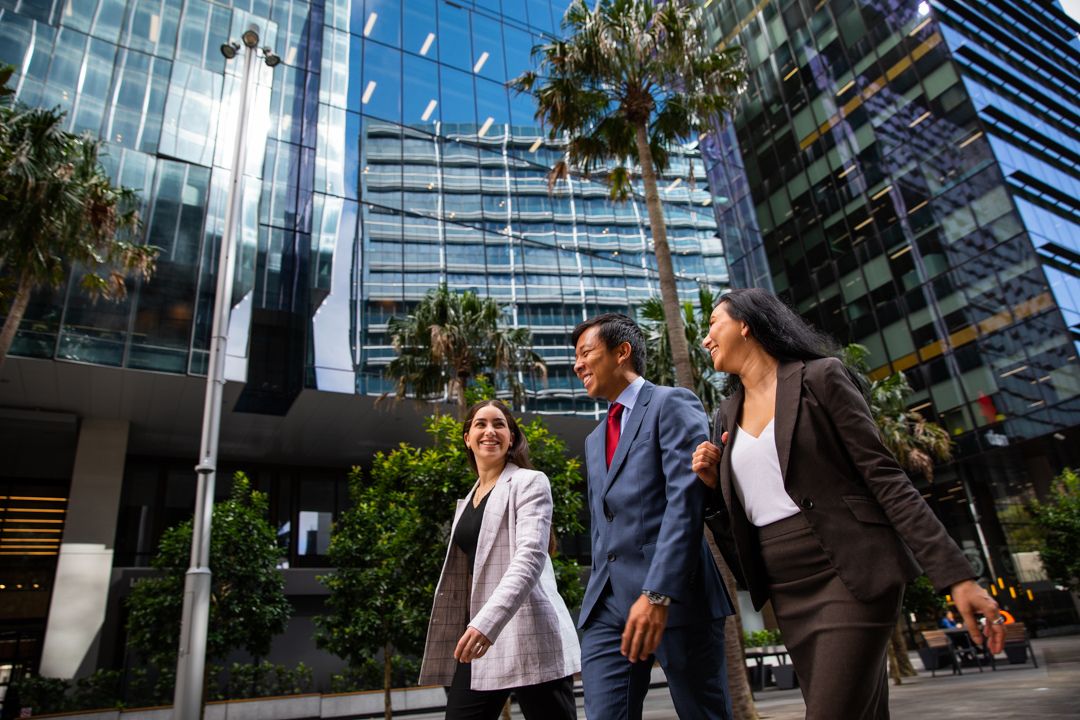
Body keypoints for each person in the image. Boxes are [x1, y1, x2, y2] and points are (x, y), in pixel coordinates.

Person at [692, 288, 1006, 719]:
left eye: (713, 324)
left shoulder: (820, 377)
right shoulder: (727, 413)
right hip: (786, 588)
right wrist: (712, 485)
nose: (706, 338)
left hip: (850, 571)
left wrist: (957, 577)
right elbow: (741, 516)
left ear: (746, 324)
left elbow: (885, 478)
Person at [572, 313, 734, 720]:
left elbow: (686, 501)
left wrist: (658, 591)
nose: (577, 365)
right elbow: (601, 525)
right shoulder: (594, 440)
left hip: (675, 597)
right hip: (607, 608)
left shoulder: (671, 403)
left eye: (586, 353)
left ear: (622, 352)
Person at [419, 400, 580, 720]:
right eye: (480, 424)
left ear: (511, 438)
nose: (489, 431)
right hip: (480, 640)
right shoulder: (466, 501)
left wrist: (485, 623)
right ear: (467, 437)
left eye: (499, 424)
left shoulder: (530, 482)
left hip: (528, 631)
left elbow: (530, 557)